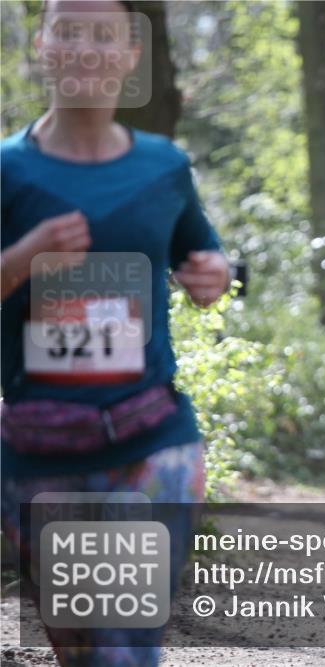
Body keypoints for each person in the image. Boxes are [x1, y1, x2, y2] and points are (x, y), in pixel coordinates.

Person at [0, 1, 229, 664]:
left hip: (152, 440)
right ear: (43, 44)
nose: (86, 49)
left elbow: (202, 258)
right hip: (41, 452)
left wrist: (209, 275)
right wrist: (25, 256)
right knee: (89, 652)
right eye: (69, 31)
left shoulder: (163, 167)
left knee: (123, 644)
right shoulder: (10, 171)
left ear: (131, 54)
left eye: (105, 35)